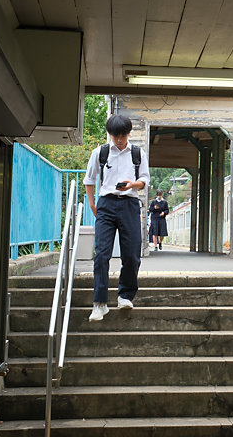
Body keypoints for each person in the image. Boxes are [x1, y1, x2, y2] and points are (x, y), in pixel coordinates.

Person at [83, 115, 149, 322]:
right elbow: (89, 179)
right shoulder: (100, 152)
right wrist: (93, 204)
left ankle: (125, 295)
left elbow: (145, 179)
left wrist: (132, 184)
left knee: (131, 254)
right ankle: (99, 304)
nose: (119, 140)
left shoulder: (138, 153)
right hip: (106, 204)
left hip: (129, 203)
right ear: (110, 135)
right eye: (115, 136)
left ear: (129, 133)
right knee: (102, 254)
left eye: (122, 135)